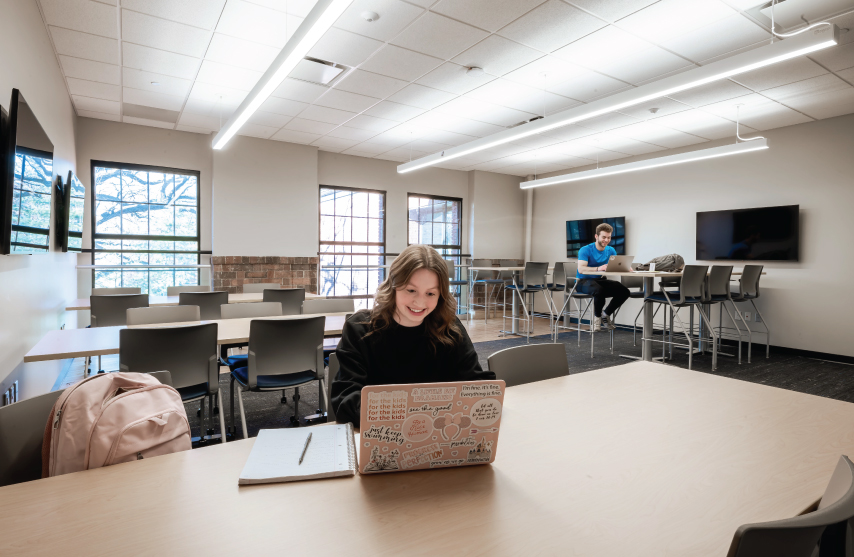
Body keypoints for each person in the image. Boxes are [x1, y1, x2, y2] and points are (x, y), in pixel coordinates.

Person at [331, 244, 495, 427]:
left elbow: (477, 385)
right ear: (393, 285)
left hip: (438, 438)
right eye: (411, 290)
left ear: (441, 295)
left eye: (431, 293)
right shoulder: (360, 329)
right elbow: (346, 401)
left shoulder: (450, 327)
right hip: (382, 436)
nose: (420, 302)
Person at [575, 223, 631, 331]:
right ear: (596, 236)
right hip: (582, 282)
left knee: (624, 291)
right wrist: (598, 268)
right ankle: (597, 318)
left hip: (600, 280)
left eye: (609, 237)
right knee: (599, 290)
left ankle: (605, 315)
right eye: (604, 237)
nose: (606, 240)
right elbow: (581, 269)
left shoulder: (611, 250)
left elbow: (615, 266)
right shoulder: (585, 250)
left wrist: (625, 268)